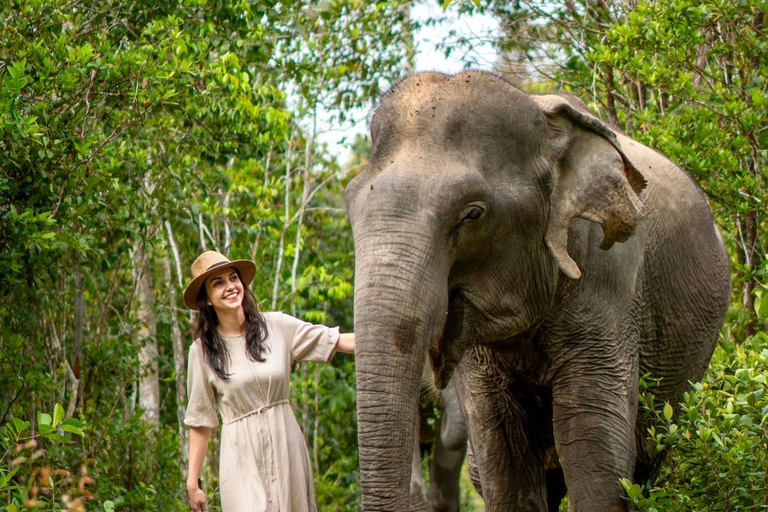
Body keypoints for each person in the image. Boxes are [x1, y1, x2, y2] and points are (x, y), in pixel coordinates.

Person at [182, 251, 355, 512]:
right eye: (218, 283)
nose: (230, 287)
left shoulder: (275, 326)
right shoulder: (201, 352)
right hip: (240, 454)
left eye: (233, 278)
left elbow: (335, 341)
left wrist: (393, 336)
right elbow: (200, 420)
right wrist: (193, 481)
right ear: (206, 298)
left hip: (286, 443)